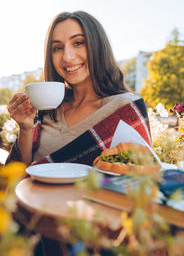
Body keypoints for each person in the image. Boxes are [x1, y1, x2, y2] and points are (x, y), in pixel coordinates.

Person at [6, 11, 151, 167]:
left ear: (98, 46)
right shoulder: (47, 109)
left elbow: (143, 175)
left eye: (78, 43)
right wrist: (25, 128)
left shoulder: (125, 108)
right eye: (57, 48)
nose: (67, 57)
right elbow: (19, 175)